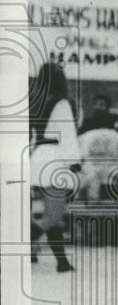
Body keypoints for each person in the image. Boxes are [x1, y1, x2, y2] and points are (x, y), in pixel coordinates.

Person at [29, 62, 81, 271]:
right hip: (55, 160)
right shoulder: (62, 103)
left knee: (53, 215)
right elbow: (67, 134)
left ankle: (62, 262)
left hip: (38, 158)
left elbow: (33, 136)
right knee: (53, 217)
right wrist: (74, 164)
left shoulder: (36, 102)